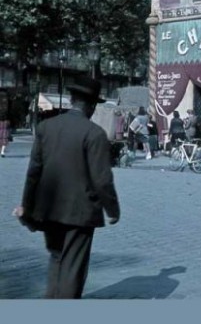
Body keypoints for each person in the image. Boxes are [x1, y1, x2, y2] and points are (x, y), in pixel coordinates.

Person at [12, 76, 120, 298]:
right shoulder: (95, 134)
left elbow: (33, 172)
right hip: (79, 213)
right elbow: (102, 179)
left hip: (49, 209)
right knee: (73, 269)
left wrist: (27, 208)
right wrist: (113, 210)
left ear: (71, 100)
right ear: (91, 106)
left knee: (57, 260)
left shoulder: (45, 127)